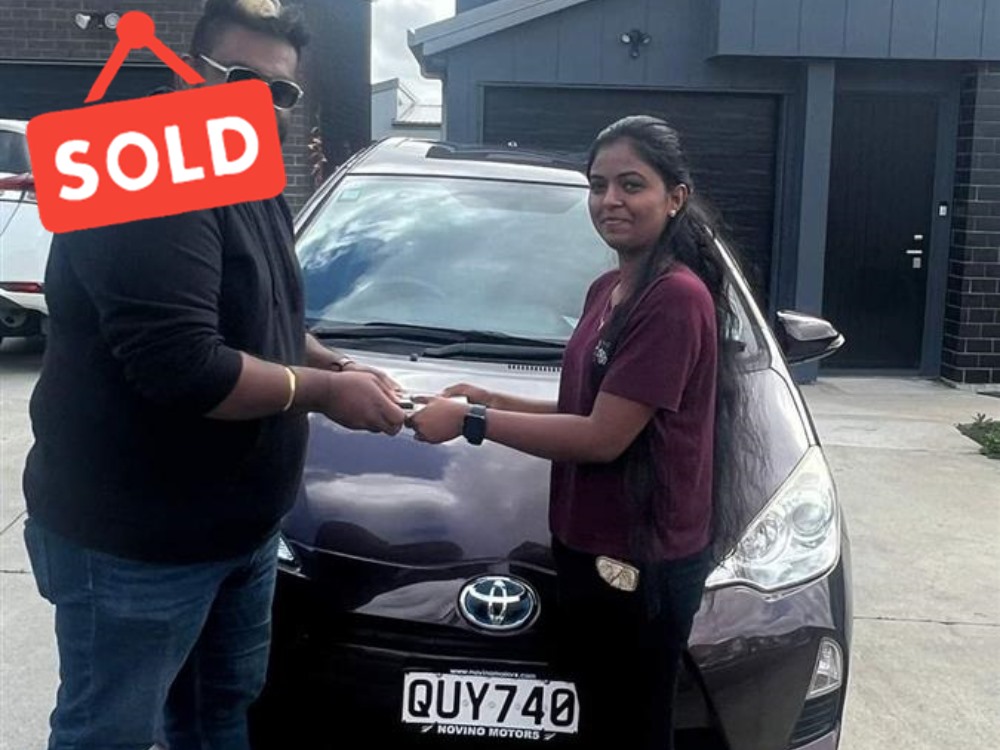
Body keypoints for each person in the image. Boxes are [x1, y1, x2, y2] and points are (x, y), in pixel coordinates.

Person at [21, 1, 405, 748]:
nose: (262, 103)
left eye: (281, 91)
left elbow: (263, 313)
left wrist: (332, 360)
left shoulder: (244, 172)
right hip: (136, 543)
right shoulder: (144, 175)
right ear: (185, 72)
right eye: (239, 79)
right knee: (110, 731)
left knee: (219, 712)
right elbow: (186, 370)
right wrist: (326, 392)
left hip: (241, 533)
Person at [409, 115, 762, 750]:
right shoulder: (611, 288)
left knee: (632, 731)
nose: (610, 201)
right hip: (587, 548)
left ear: (675, 197)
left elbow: (604, 437)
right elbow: (589, 405)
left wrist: (471, 421)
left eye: (632, 185)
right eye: (598, 186)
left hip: (639, 562)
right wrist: (491, 396)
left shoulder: (674, 298)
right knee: (599, 722)